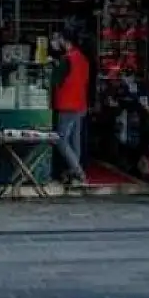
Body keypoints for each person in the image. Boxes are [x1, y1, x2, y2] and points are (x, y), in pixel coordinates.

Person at [50, 26, 90, 186]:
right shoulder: (82, 58)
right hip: (80, 104)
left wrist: (54, 64)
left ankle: (79, 172)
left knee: (60, 140)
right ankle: (74, 174)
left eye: (58, 38)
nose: (56, 42)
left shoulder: (66, 60)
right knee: (75, 141)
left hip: (67, 105)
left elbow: (55, 80)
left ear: (64, 41)